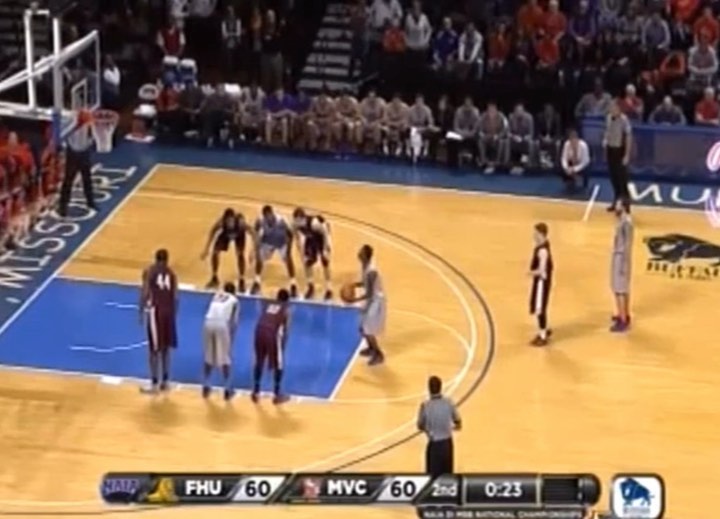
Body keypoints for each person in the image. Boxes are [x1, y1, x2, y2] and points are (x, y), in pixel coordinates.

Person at [140, 248, 178, 392]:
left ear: (155, 259)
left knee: (154, 349)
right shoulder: (172, 274)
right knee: (165, 348)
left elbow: (145, 292)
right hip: (169, 312)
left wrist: (141, 311)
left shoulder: (150, 271)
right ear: (167, 260)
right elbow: (176, 297)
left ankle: (154, 383)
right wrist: (174, 314)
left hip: (156, 312)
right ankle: (166, 382)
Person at [349, 244, 386, 365]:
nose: (358, 254)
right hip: (371, 299)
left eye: (361, 252)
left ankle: (379, 354)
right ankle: (371, 348)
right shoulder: (365, 265)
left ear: (366, 256)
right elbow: (365, 284)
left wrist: (354, 299)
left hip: (376, 301)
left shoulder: (371, 271)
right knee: (362, 327)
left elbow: (369, 292)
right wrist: (355, 285)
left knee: (368, 329)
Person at [252, 288, 291, 404]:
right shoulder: (286, 309)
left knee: (259, 360)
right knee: (279, 363)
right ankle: (277, 394)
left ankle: (255, 392)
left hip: (259, 330)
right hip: (272, 333)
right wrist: (282, 346)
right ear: (287, 300)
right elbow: (286, 330)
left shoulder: (268, 305)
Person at [417, 375, 461, 477]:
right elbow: (458, 421)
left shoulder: (425, 405)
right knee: (448, 475)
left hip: (435, 445)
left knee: (433, 477)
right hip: (447, 444)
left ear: (429, 389)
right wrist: (453, 427)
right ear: (441, 387)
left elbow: (420, 425)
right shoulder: (448, 402)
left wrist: (427, 428)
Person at [202, 282, 239, 400]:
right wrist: (231, 337)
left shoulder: (216, 295)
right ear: (234, 292)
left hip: (208, 323)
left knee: (208, 356)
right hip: (221, 324)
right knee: (225, 357)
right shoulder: (235, 300)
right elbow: (234, 322)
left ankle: (206, 385)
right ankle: (227, 389)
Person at [200, 208, 253, 292]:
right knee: (215, 252)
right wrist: (206, 249)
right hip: (226, 234)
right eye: (227, 221)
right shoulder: (221, 222)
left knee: (240, 254)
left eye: (230, 221)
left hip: (239, 235)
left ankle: (241, 279)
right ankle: (214, 277)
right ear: (225, 220)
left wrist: (253, 251)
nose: (229, 223)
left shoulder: (241, 222)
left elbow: (253, 232)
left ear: (234, 219)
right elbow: (212, 232)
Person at [251, 205, 297, 297]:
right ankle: (257, 281)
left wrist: (289, 250)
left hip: (281, 243)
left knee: (288, 260)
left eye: (270, 215)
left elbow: (291, 235)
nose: (268, 218)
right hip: (267, 242)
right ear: (264, 216)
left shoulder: (282, 221)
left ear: (272, 213)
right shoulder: (260, 221)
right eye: (266, 216)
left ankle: (293, 284)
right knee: (259, 257)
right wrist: (254, 250)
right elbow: (255, 234)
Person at [58, 110, 96, 217]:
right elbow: (62, 135)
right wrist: (76, 125)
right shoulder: (69, 121)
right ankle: (63, 206)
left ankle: (90, 202)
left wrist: (89, 143)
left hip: (84, 151)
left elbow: (92, 134)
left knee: (87, 178)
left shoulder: (89, 121)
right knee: (68, 180)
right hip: (73, 152)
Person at [292, 207, 332, 300]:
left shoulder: (314, 223)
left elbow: (325, 233)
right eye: (296, 220)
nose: (297, 222)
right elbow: (297, 239)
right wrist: (301, 253)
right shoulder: (295, 224)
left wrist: (325, 249)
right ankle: (310, 286)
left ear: (303, 218)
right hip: (311, 238)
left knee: (325, 261)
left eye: (298, 220)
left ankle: (329, 289)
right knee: (307, 262)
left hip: (322, 237)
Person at [603, 100, 632, 212]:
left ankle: (626, 202)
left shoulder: (624, 120)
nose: (611, 109)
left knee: (622, 178)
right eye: (611, 107)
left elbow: (629, 137)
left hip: (620, 150)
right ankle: (616, 199)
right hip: (610, 150)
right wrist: (605, 141)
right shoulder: (608, 118)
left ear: (618, 109)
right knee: (613, 177)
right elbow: (607, 131)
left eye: (613, 107)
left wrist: (627, 155)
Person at [610, 198, 633, 332]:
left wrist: (623, 264)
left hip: (621, 258)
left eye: (618, 204)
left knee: (619, 289)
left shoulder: (626, 223)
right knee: (621, 289)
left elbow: (628, 244)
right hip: (618, 256)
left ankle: (623, 321)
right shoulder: (621, 220)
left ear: (623, 206)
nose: (615, 206)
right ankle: (623, 314)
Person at [529, 223, 553, 346]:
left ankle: (542, 336)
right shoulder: (542, 246)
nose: (534, 235)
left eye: (536, 233)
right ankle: (544, 329)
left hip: (541, 283)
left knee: (540, 309)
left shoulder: (542, 251)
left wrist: (531, 273)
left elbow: (542, 270)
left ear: (541, 234)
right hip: (541, 282)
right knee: (540, 307)